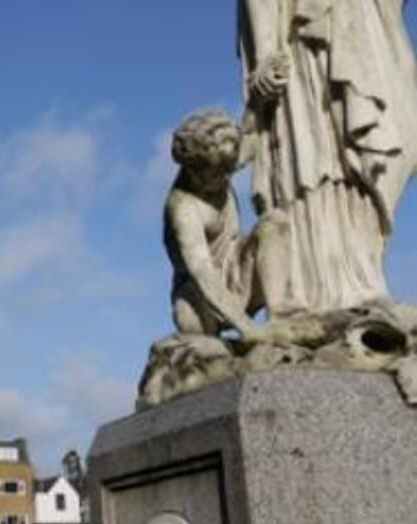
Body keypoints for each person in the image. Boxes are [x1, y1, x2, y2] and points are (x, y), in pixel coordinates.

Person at [239, 0, 416, 314]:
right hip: (303, 35)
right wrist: (265, 50)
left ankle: (362, 277)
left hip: (359, 22)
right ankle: (316, 290)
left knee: (368, 153)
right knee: (316, 152)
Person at [164, 109, 290, 338]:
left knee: (274, 223)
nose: (224, 178)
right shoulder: (183, 209)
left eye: (227, 172)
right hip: (199, 294)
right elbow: (202, 272)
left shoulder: (220, 159)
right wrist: (247, 328)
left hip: (238, 270)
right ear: (193, 169)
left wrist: (261, 94)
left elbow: (252, 132)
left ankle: (279, 316)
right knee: (193, 326)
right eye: (216, 174)